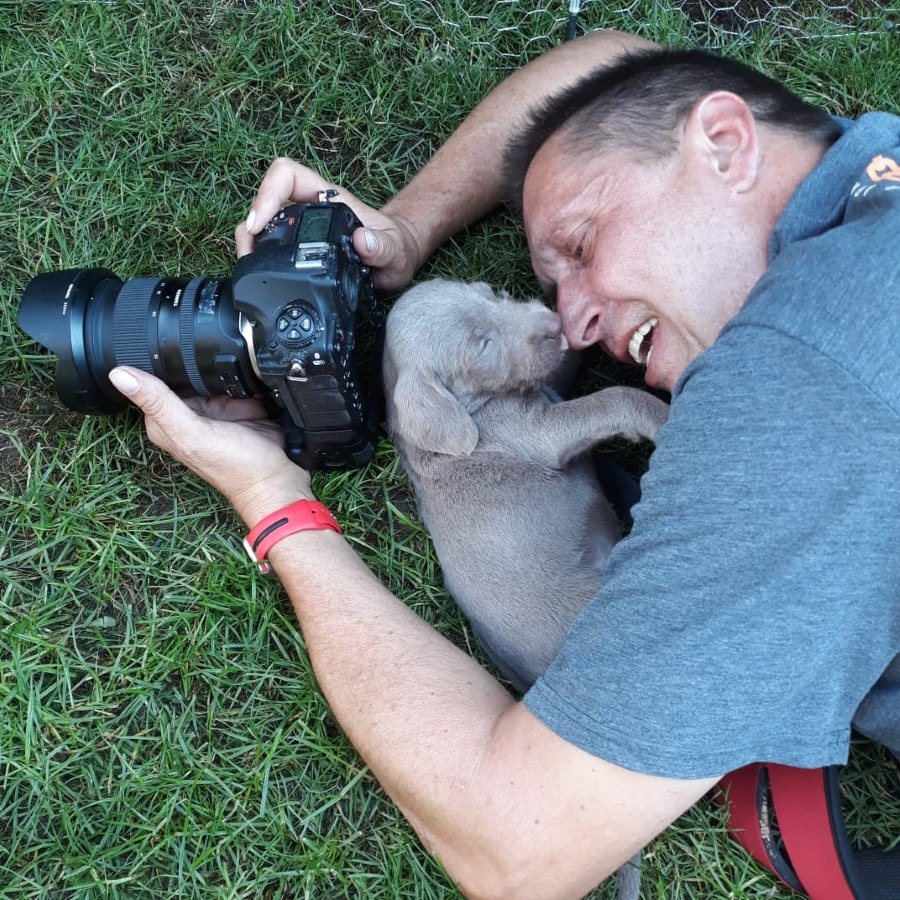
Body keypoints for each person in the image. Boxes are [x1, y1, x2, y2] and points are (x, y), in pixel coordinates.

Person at [106, 29, 899, 900]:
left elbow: (517, 847)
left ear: (725, 142)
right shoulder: (860, 176)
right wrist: (401, 231)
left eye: (583, 245)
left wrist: (272, 499)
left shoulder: (795, 382)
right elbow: (608, 59)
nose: (577, 325)